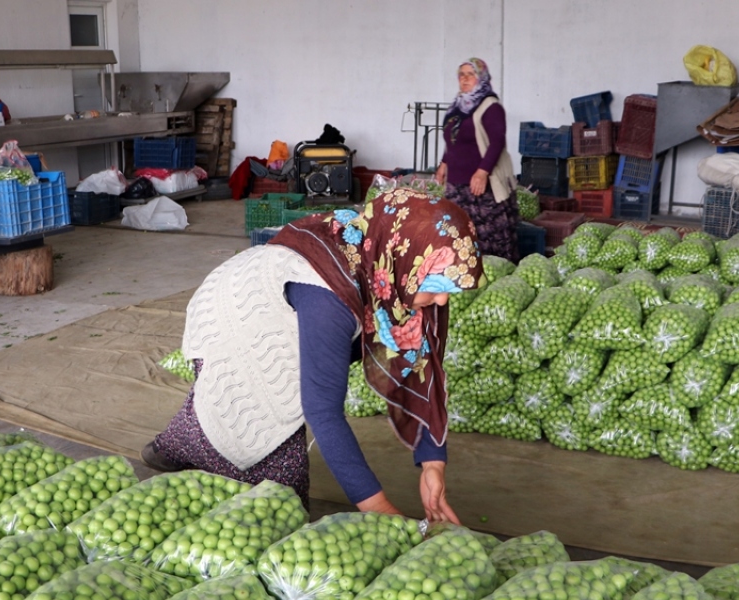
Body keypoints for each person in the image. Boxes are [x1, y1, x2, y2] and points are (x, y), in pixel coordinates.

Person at [142, 188, 484, 524]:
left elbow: (421, 366)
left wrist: (432, 464)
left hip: (293, 302)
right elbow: (322, 411)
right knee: (277, 493)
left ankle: (169, 446)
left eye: (449, 290)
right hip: (240, 310)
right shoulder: (328, 295)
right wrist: (379, 509)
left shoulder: (393, 267)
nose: (441, 302)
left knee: (254, 440)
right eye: (436, 288)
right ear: (406, 259)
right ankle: (182, 446)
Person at [434, 58, 521, 262]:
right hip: (457, 183)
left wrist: (482, 172)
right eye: (461, 74)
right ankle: (467, 272)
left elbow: (496, 142)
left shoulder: (490, 106)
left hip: (481, 183)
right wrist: (444, 163)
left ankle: (499, 272)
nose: (464, 79)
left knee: (490, 235)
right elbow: (453, 139)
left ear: (481, 77)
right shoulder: (458, 106)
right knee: (461, 231)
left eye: (470, 74)